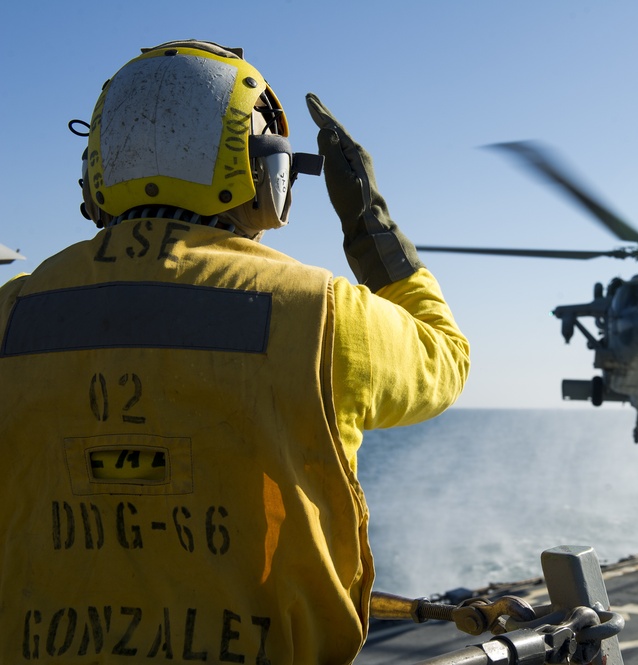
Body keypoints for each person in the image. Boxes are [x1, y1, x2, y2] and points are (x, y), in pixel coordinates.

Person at [0, 40, 469, 663]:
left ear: (97, 170)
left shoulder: (10, 314)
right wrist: (370, 227)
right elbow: (445, 360)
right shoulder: (324, 313)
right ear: (264, 173)